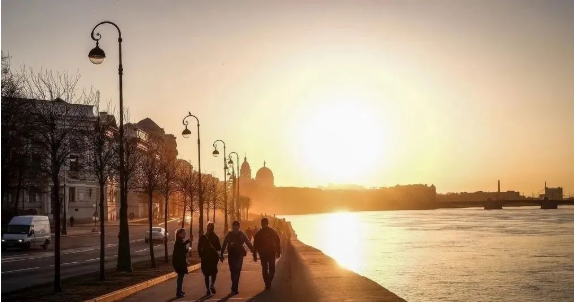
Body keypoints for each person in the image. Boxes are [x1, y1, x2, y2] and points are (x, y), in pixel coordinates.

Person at [221, 220, 254, 294]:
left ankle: (235, 286)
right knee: (233, 271)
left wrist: (253, 250)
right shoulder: (229, 235)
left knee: (237, 271)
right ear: (232, 227)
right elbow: (224, 244)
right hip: (232, 255)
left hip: (239, 255)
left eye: (237, 226)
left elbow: (248, 242)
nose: (236, 228)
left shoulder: (241, 234)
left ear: (239, 227)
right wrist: (221, 253)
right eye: (234, 226)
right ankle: (234, 285)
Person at [253, 217, 281, 290]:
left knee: (264, 269)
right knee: (272, 269)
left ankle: (267, 283)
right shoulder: (273, 232)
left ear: (261, 224)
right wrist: (278, 252)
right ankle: (269, 281)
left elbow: (255, 245)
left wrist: (255, 255)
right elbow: (278, 242)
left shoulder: (258, 234)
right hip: (271, 253)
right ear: (268, 223)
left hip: (262, 254)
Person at [198, 222, 222, 296]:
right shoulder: (215, 237)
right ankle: (212, 285)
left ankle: (208, 289)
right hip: (213, 258)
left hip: (205, 258)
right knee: (214, 272)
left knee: (206, 274)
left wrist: (201, 255)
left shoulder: (203, 237)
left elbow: (199, 247)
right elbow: (219, 247)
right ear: (213, 228)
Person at [172, 228, 191, 298]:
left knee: (181, 277)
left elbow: (182, 246)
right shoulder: (178, 242)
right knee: (180, 277)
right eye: (183, 233)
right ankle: (178, 292)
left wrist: (188, 241)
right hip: (178, 262)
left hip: (179, 261)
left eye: (185, 233)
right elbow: (182, 251)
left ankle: (180, 290)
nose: (185, 234)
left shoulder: (179, 241)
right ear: (179, 234)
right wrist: (188, 250)